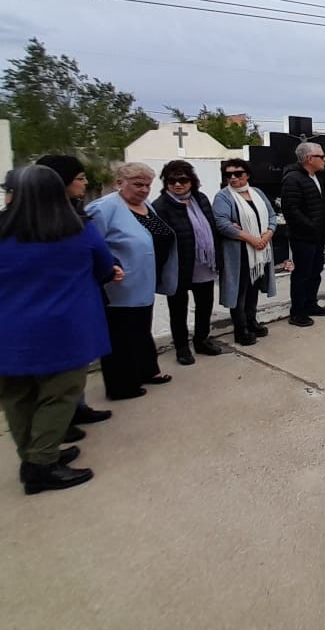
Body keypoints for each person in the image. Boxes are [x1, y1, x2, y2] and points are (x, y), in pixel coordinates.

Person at [0, 166, 118, 494]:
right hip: (65, 328)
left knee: (16, 394)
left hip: (5, 329)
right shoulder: (79, 229)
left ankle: (34, 456)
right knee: (59, 394)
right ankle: (41, 466)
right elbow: (104, 268)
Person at [88, 162, 178, 400]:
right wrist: (110, 266)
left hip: (145, 281)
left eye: (148, 185)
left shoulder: (146, 206)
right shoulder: (104, 208)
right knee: (120, 336)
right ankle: (121, 386)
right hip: (120, 284)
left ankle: (147, 371)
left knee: (140, 330)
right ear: (119, 183)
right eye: (138, 184)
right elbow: (91, 245)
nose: (144, 190)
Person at [35, 154, 111, 426]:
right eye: (79, 178)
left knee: (73, 366)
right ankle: (57, 427)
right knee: (59, 371)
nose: (86, 182)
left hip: (63, 304)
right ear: (60, 182)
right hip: (63, 305)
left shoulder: (73, 212)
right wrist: (108, 270)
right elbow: (101, 260)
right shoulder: (71, 222)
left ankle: (76, 408)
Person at [152, 160, 224, 365]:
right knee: (178, 310)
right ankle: (182, 348)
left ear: (191, 181)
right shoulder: (161, 206)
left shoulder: (200, 199)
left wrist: (217, 257)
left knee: (204, 306)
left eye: (182, 179)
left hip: (203, 264)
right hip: (178, 267)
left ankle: (202, 340)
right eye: (172, 180)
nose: (177, 184)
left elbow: (212, 229)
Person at [213, 159, 277, 345]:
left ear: (247, 175)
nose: (233, 178)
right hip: (239, 252)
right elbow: (222, 224)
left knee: (253, 288)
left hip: (260, 250)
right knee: (239, 291)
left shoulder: (257, 193)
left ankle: (252, 321)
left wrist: (268, 234)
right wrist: (252, 239)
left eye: (238, 173)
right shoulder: (223, 197)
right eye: (228, 175)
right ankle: (240, 330)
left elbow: (271, 214)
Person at [281, 141, 325, 327]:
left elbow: (319, 206)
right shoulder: (293, 179)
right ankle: (298, 311)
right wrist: (311, 226)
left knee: (315, 271)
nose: (324, 160)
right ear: (309, 159)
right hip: (303, 236)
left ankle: (311, 304)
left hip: (317, 236)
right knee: (302, 274)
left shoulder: (315, 177)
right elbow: (291, 210)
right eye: (321, 156)